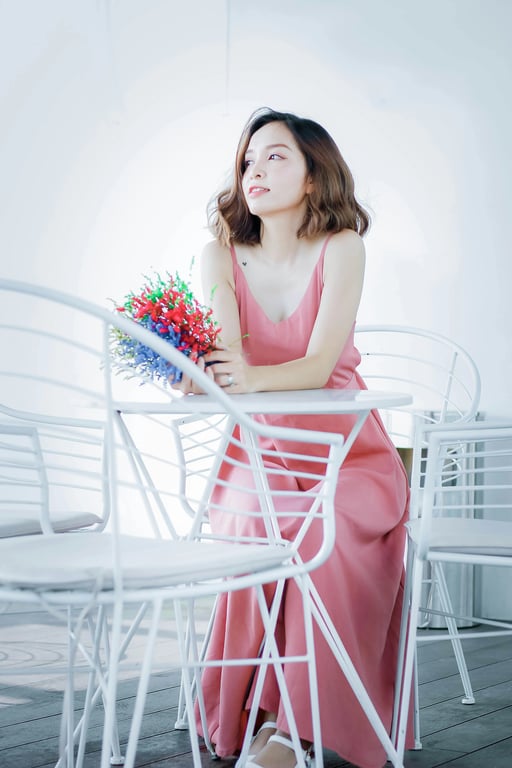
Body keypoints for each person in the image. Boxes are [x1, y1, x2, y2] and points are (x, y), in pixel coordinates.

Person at [176, 107, 411, 768]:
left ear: (313, 175)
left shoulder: (343, 247)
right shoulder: (217, 254)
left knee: (325, 537)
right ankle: (258, 716)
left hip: (349, 452)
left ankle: (289, 729)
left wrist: (239, 374)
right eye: (249, 160)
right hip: (260, 448)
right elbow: (225, 360)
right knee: (256, 529)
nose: (255, 170)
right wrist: (198, 373)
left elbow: (316, 364)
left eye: (275, 157)